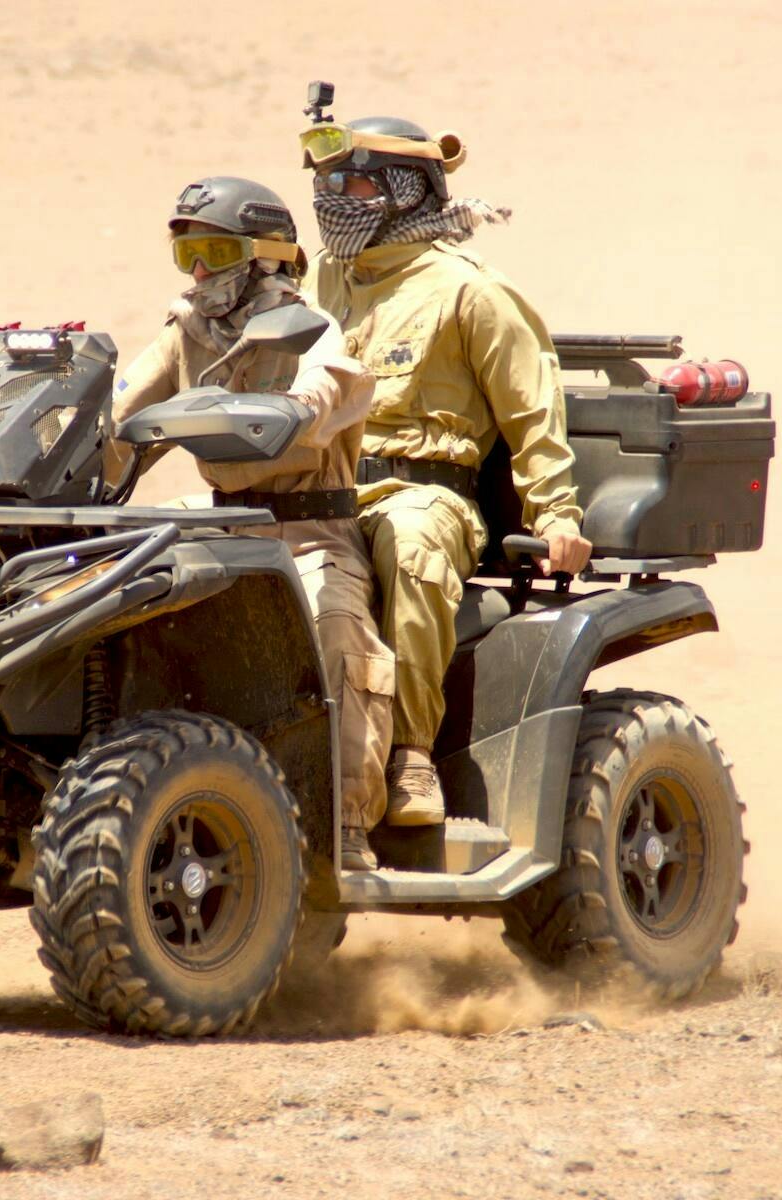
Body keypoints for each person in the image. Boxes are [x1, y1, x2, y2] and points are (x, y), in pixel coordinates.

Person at [300, 111, 593, 825]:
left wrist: (557, 514)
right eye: (326, 180)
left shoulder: (469, 292)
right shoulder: (318, 285)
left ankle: (408, 759)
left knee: (409, 545)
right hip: (322, 489)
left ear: (407, 189)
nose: (333, 196)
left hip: (427, 494)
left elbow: (533, 415)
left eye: (355, 180)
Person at [107, 176, 394, 870]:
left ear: (264, 255)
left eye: (213, 250)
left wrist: (298, 406)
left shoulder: (308, 324)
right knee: (102, 595)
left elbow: (334, 383)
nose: (199, 270)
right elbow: (118, 428)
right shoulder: (186, 333)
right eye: (187, 254)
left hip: (307, 530)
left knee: (334, 633)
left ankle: (345, 822)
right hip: (225, 529)